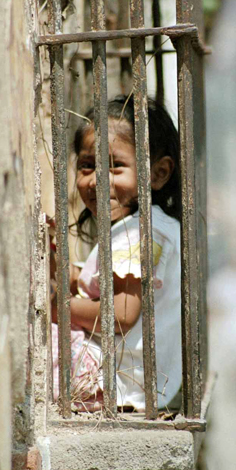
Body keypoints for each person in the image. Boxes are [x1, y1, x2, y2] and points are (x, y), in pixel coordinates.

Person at [51, 95, 182, 412]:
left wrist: (60, 307)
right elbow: (106, 285)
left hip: (123, 388)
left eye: (116, 166)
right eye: (86, 166)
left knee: (41, 336)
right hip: (145, 386)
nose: (96, 180)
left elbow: (121, 314)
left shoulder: (138, 234)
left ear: (159, 173)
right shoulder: (147, 229)